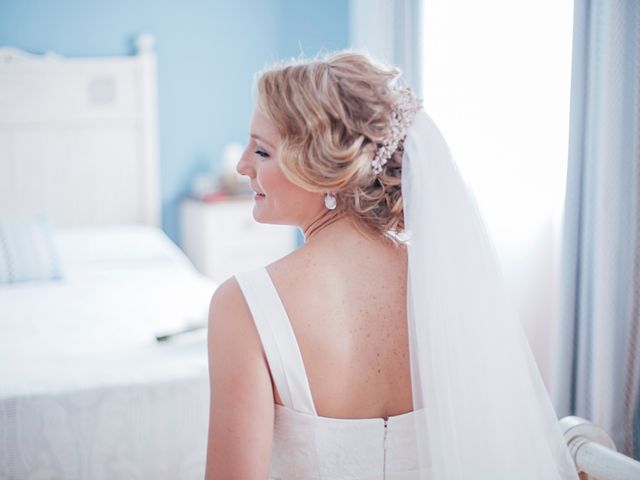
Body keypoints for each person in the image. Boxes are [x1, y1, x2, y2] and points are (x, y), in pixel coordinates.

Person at [204, 51, 580, 479]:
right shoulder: (446, 280)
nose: (241, 166)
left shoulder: (243, 305)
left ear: (321, 167)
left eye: (262, 151)